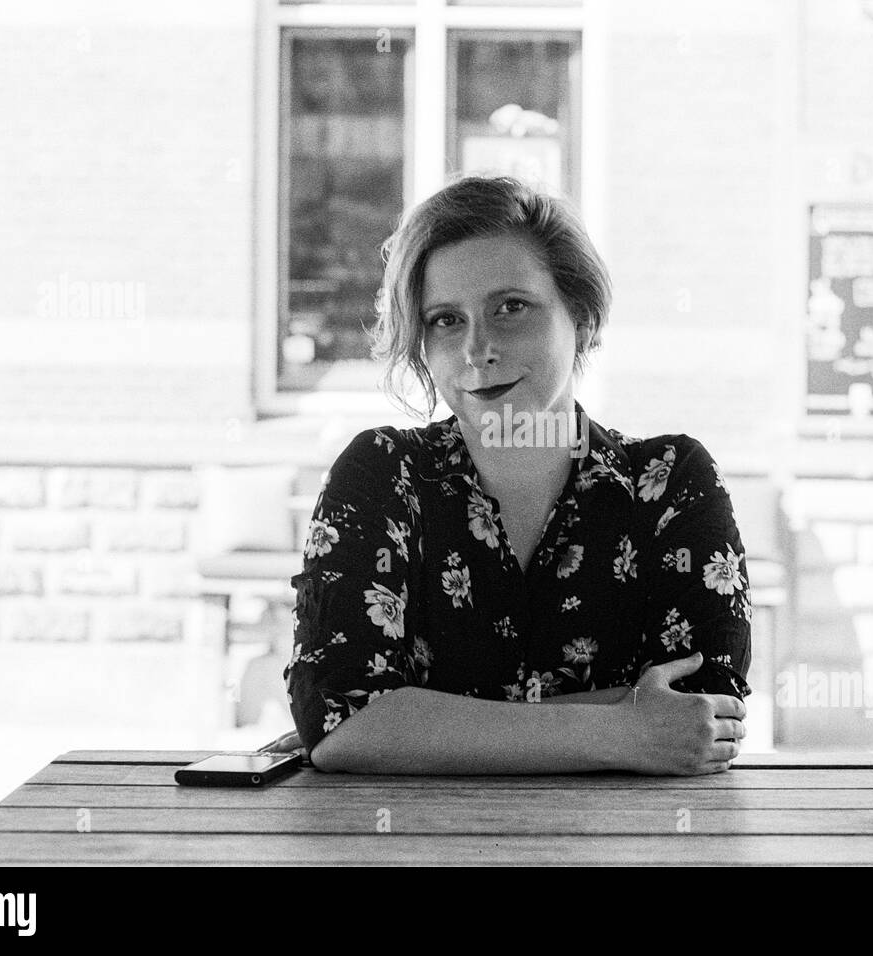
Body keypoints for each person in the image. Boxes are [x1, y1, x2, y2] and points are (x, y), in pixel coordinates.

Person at [284, 176, 753, 775]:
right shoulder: (381, 472)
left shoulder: (671, 481)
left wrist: (416, 722)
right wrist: (619, 731)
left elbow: (705, 715)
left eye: (511, 308)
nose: (478, 349)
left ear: (580, 317)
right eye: (447, 320)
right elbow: (341, 715)